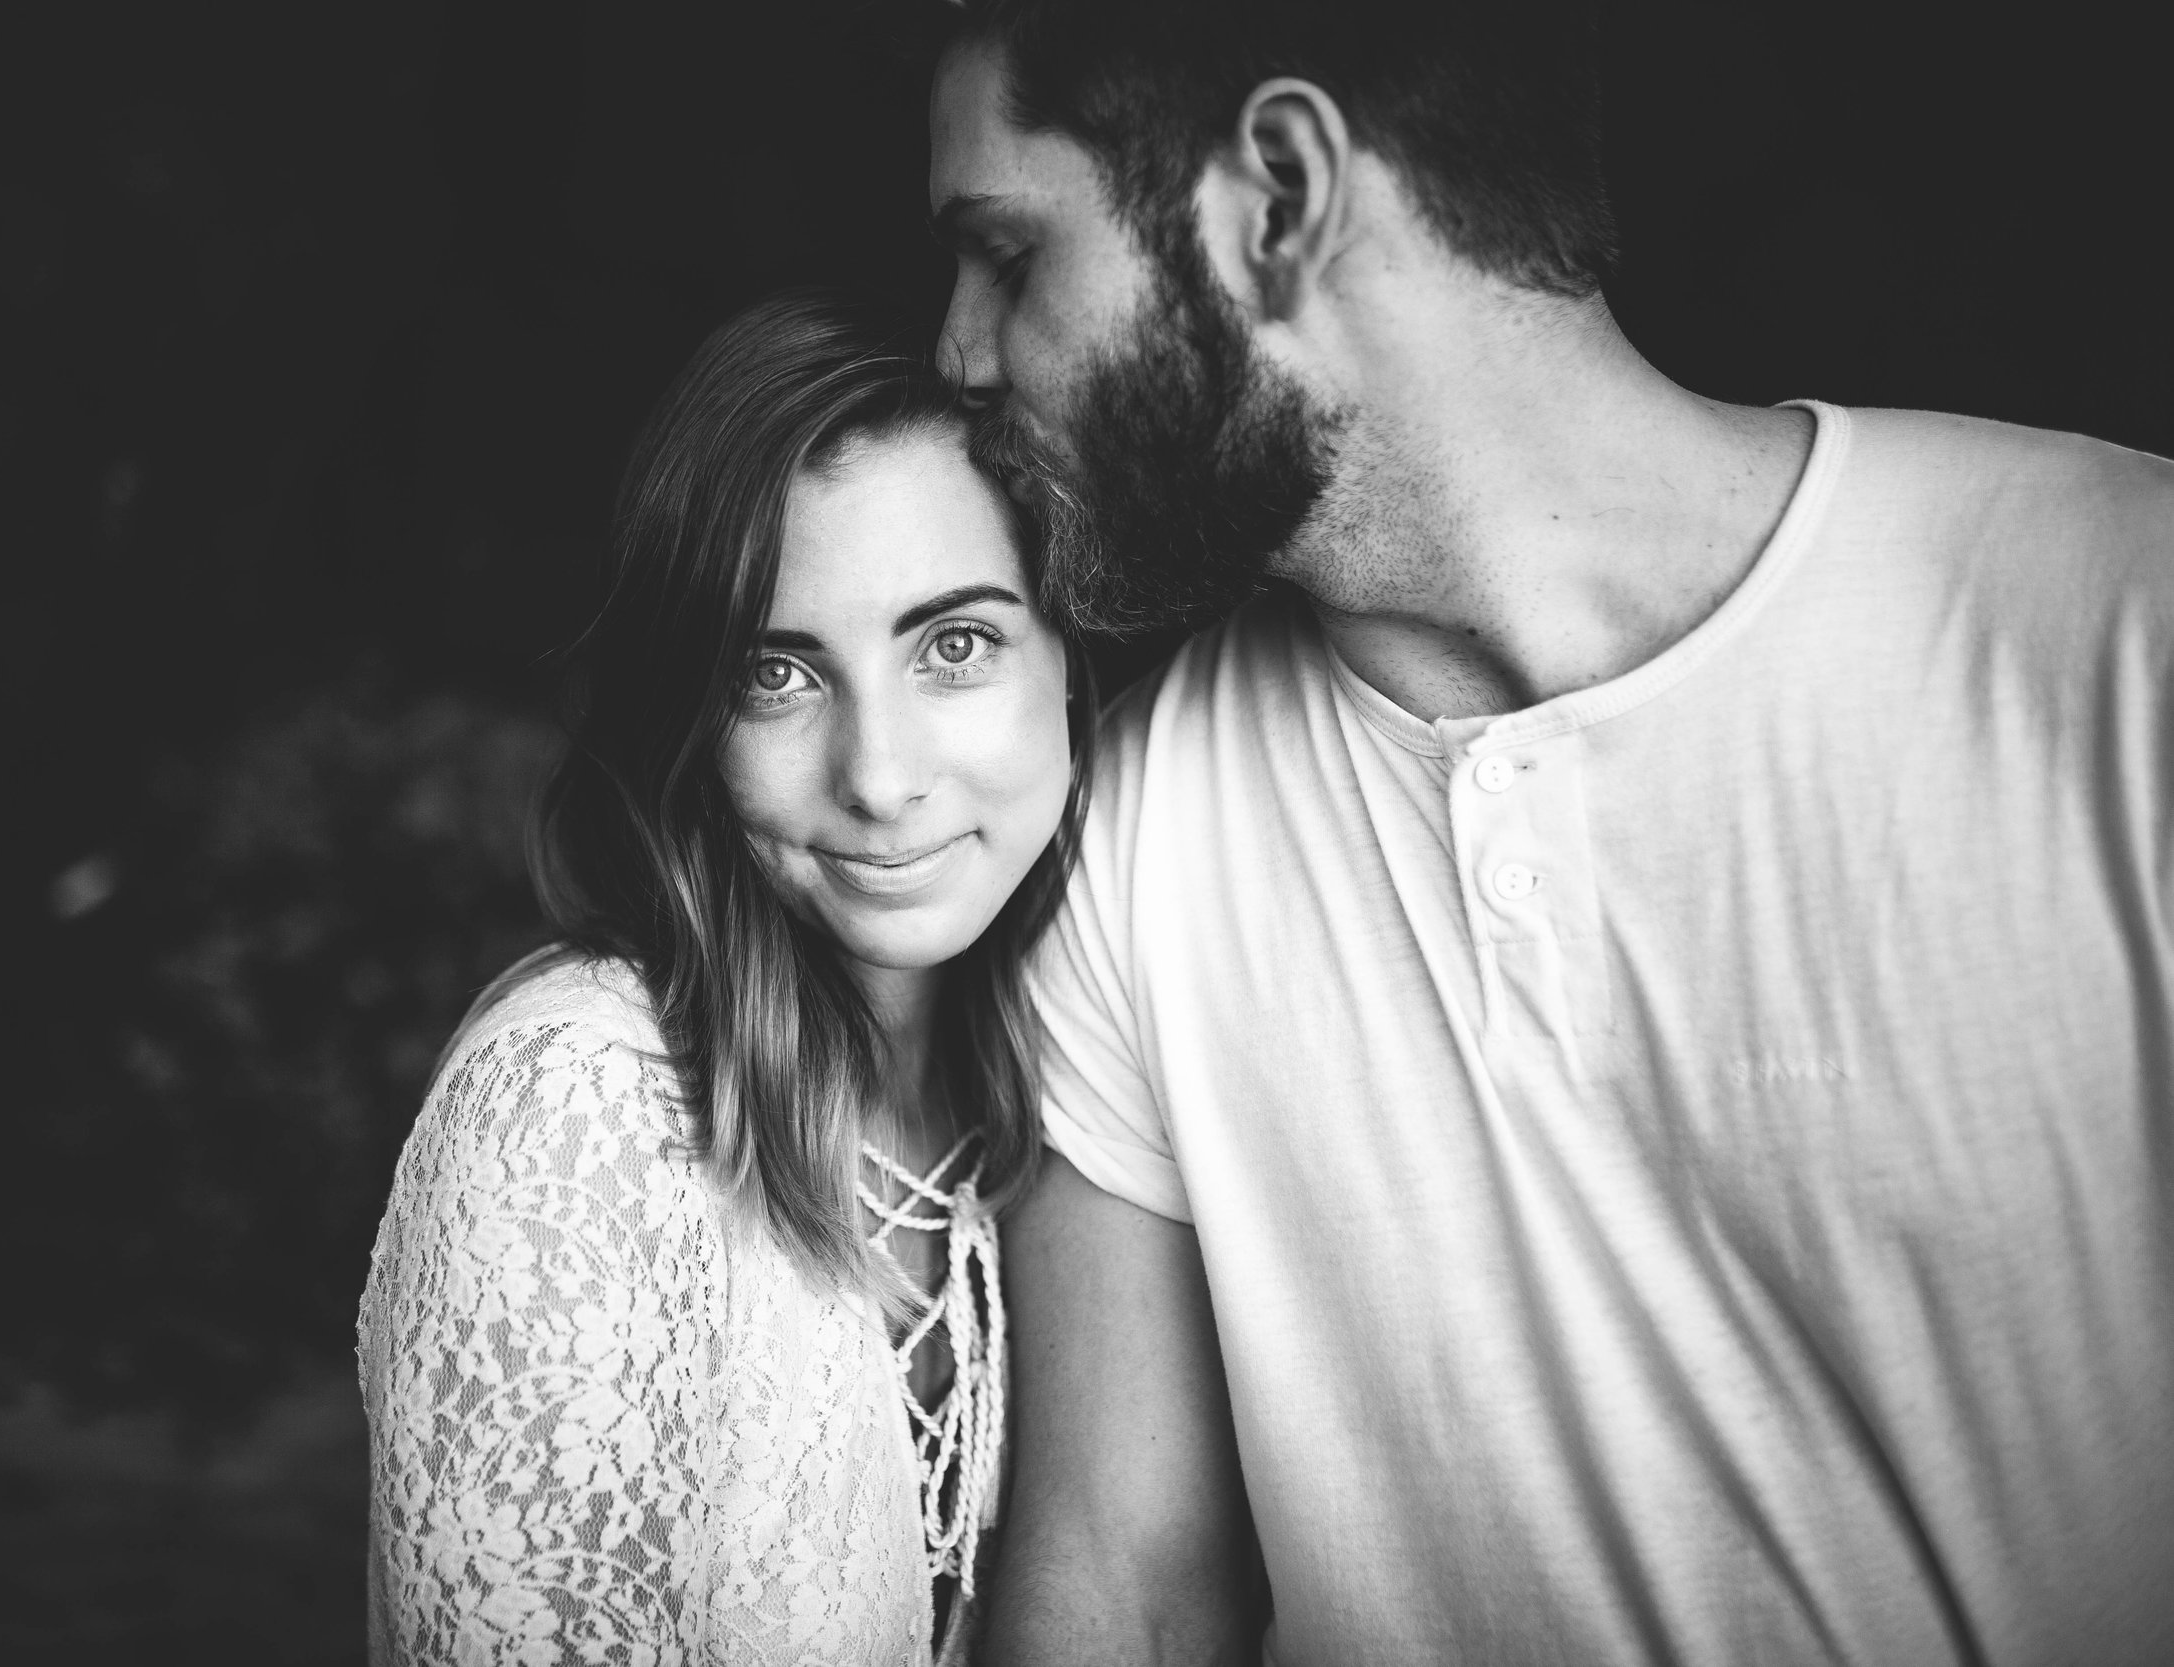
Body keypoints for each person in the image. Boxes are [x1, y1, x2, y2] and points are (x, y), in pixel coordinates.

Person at [918, 2, 2174, 1663]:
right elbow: (1124, 1591)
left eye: (1007, 253)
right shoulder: (1127, 827)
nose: (954, 349)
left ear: (1282, 195)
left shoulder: (2126, 643)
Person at [355, 290, 1092, 1665]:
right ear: (693, 719)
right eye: (779, 674)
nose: (879, 778)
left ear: (1070, 663)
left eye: (955, 646)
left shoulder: (1081, 1077)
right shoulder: (578, 1110)